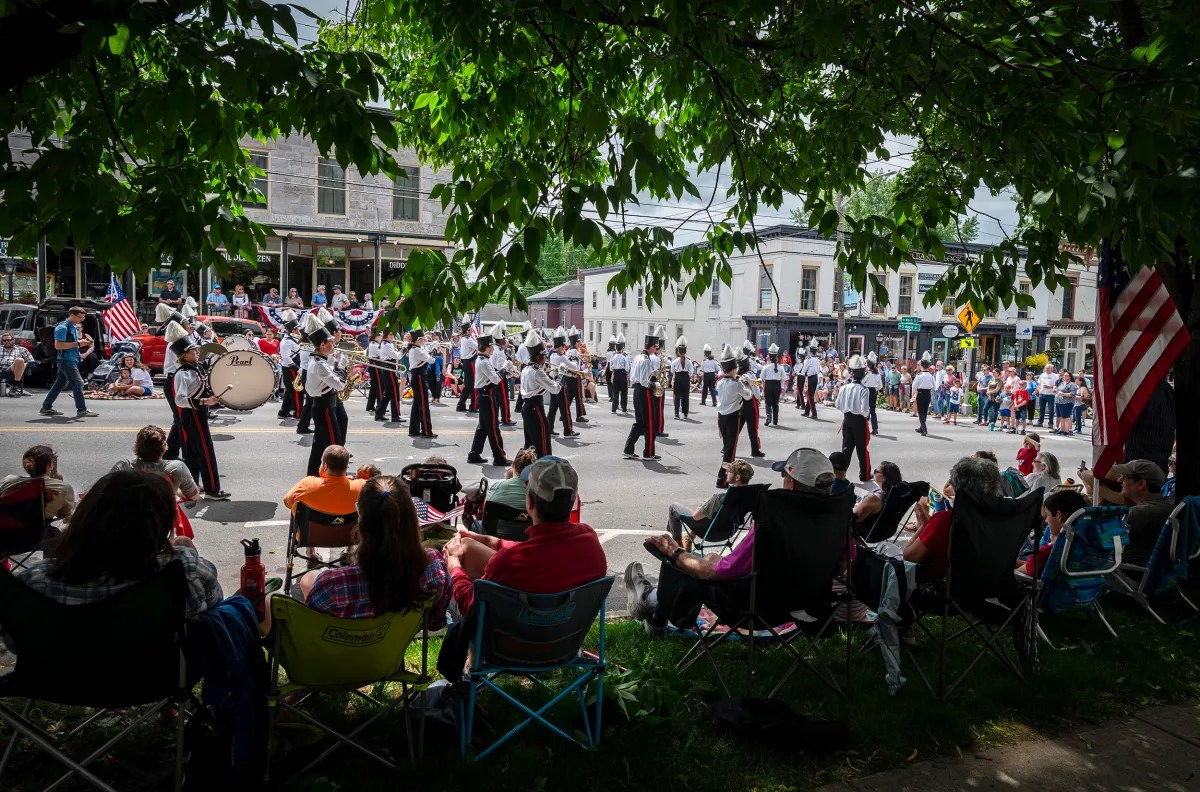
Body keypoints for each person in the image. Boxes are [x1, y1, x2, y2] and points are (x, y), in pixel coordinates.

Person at [624, 448, 837, 635]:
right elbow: (845, 566)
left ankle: (648, 599)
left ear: (790, 483)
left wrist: (676, 551)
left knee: (683, 565)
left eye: (783, 475)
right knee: (708, 558)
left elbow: (713, 573)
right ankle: (655, 617)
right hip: (806, 606)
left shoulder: (774, 524)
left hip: (751, 608)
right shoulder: (836, 521)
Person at [438, 456, 606, 681]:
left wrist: (454, 565)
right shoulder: (590, 543)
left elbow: (469, 606)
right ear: (574, 501)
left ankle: (471, 670)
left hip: (504, 653)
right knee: (469, 547)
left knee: (452, 594)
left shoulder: (507, 564)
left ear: (529, 503)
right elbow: (540, 549)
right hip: (563, 646)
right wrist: (490, 541)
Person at [14, 471, 221, 618]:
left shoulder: (34, 583)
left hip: (59, 679)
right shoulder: (184, 572)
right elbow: (212, 606)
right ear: (160, 524)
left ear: (87, 516)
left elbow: (13, 641)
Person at [288, 474, 453, 630]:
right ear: (411, 519)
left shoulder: (332, 586)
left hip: (343, 653)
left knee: (308, 579)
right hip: (395, 650)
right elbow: (435, 622)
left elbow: (314, 627)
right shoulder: (434, 568)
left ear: (361, 520)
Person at [904, 456, 1008, 581]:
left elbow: (909, 557)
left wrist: (922, 526)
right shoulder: (1000, 518)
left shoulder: (946, 520)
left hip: (941, 587)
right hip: (986, 585)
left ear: (958, 489)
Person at [166, 321, 229, 500]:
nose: (198, 352)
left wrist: (211, 398)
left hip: (197, 412)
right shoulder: (183, 373)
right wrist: (204, 401)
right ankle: (212, 490)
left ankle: (192, 487)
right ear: (185, 355)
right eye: (194, 351)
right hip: (192, 414)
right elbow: (180, 399)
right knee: (205, 450)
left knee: (193, 452)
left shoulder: (195, 367)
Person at [303, 313, 348, 476]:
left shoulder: (319, 360)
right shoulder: (320, 364)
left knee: (319, 447)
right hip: (325, 408)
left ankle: (312, 476)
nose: (333, 345)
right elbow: (340, 384)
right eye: (330, 342)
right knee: (333, 447)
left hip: (324, 406)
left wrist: (336, 361)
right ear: (322, 345)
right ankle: (335, 479)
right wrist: (342, 366)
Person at [668, 459, 754, 543]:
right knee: (708, 509)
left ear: (737, 477)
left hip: (709, 533)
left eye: (729, 471)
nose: (726, 473)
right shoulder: (750, 497)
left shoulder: (721, 497)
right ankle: (689, 539)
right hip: (729, 532)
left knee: (674, 507)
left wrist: (699, 509)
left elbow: (696, 516)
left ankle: (677, 545)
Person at [110, 425, 201, 502]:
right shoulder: (177, 468)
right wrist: (176, 492)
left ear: (137, 446)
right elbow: (193, 496)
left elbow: (106, 492)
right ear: (164, 447)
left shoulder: (124, 466)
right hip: (162, 519)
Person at [1112, 459, 1175, 566]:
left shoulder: (1138, 513)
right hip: (1154, 573)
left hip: (1127, 575)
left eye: (1125, 477)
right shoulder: (1170, 508)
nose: (1119, 480)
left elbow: (1108, 544)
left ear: (1141, 484)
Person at [40, 306, 99, 419]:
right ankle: (82, 410)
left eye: (83, 317)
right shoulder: (62, 327)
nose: (82, 319)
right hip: (66, 361)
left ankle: (46, 407)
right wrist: (78, 343)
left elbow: (73, 344)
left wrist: (82, 345)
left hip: (72, 359)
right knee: (78, 383)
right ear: (72, 315)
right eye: (80, 317)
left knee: (59, 384)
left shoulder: (72, 326)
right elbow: (58, 345)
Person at [1018, 488, 1089, 576]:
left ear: (1059, 516)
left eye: (1047, 515)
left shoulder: (1049, 551)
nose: (1046, 521)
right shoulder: (1092, 543)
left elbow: (1018, 573)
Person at [466, 333, 510, 467]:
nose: (492, 349)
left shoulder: (483, 359)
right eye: (491, 347)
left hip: (485, 395)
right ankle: (499, 457)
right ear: (486, 348)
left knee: (483, 427)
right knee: (493, 428)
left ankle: (474, 454)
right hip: (487, 396)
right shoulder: (484, 362)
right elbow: (496, 379)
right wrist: (504, 369)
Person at [1, 444, 76, 522]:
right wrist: (60, 484)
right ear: (50, 465)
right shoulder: (63, 488)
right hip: (37, 533)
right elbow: (65, 516)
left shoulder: (8, 481)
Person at [713, 347, 753, 487]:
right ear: (734, 368)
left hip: (721, 417)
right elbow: (748, 396)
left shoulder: (720, 383)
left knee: (727, 448)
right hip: (732, 418)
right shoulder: (737, 384)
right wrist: (747, 385)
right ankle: (722, 479)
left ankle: (723, 477)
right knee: (730, 451)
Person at [519, 329, 560, 457]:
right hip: (535, 406)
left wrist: (551, 374)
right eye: (544, 355)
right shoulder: (537, 371)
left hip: (527, 406)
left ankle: (525, 467)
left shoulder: (527, 368)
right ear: (538, 356)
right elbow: (555, 389)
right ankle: (545, 465)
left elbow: (541, 384)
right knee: (543, 439)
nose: (545, 358)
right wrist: (561, 376)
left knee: (530, 442)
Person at [623, 330, 662, 461]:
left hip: (636, 391)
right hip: (644, 392)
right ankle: (649, 452)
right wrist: (654, 384)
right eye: (655, 347)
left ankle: (628, 449)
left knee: (640, 423)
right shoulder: (646, 360)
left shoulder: (637, 357)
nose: (656, 349)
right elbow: (645, 381)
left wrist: (652, 374)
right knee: (650, 423)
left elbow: (635, 376)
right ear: (651, 347)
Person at [836, 355, 872, 482]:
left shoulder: (844, 387)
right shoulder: (864, 389)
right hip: (859, 422)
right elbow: (864, 410)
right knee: (862, 450)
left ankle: (841, 474)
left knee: (846, 449)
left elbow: (838, 405)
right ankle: (865, 475)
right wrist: (867, 416)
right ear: (862, 373)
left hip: (847, 420)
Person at [853, 461, 903, 528]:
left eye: (876, 471)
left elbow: (854, 518)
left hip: (866, 530)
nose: (873, 473)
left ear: (883, 478)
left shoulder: (874, 497)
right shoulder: (895, 494)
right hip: (885, 529)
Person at [406, 332, 436, 438]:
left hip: (417, 377)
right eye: (422, 339)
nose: (424, 340)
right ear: (418, 339)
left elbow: (425, 351)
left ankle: (414, 429)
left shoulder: (416, 348)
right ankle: (426, 431)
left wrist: (432, 345)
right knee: (423, 404)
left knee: (417, 405)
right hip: (419, 377)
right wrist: (435, 351)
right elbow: (431, 360)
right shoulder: (417, 350)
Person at [760, 343, 785, 426]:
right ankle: (775, 420)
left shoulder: (766, 367)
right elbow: (784, 378)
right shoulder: (781, 367)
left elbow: (762, 377)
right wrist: (781, 387)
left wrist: (764, 386)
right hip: (777, 385)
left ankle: (768, 417)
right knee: (776, 403)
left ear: (769, 357)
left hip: (768, 385)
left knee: (768, 403)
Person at [456, 320, 478, 413]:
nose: (471, 331)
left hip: (467, 362)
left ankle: (461, 405)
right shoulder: (468, 339)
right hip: (470, 362)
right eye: (470, 330)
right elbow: (478, 346)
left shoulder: (465, 339)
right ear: (467, 330)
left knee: (468, 385)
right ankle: (474, 405)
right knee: (473, 384)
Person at [671, 336, 693, 420]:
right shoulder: (688, 361)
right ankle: (685, 413)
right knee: (685, 396)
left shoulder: (675, 361)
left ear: (678, 351)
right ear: (685, 351)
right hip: (685, 378)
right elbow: (691, 372)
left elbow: (672, 371)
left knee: (677, 396)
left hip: (678, 378)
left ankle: (676, 413)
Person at [910, 360, 934, 435]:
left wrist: (914, 392)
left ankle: (924, 429)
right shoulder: (931, 375)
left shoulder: (919, 375)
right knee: (925, 411)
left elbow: (914, 386)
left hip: (920, 393)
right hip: (928, 394)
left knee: (920, 412)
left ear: (922, 366)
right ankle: (921, 427)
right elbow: (934, 386)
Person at [609, 333, 629, 413]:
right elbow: (627, 368)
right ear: (623, 347)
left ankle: (614, 408)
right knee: (624, 393)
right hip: (623, 374)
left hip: (616, 374)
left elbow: (611, 368)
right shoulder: (625, 356)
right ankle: (624, 408)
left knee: (615, 392)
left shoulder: (613, 356)